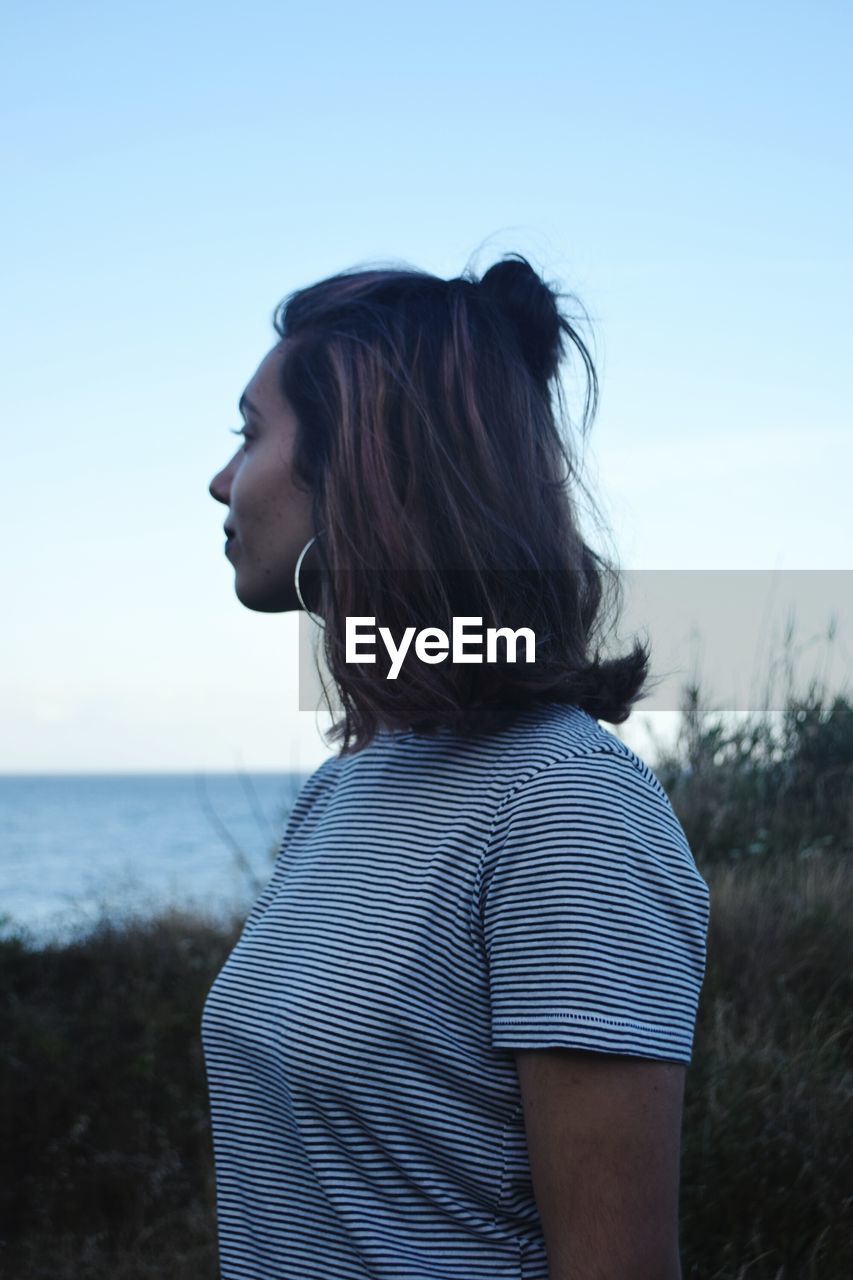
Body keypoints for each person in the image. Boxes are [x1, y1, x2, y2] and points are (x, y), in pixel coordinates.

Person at [204, 251, 711, 1280]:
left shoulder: (566, 809)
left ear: (364, 463)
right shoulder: (338, 793)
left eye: (250, 433)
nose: (220, 479)